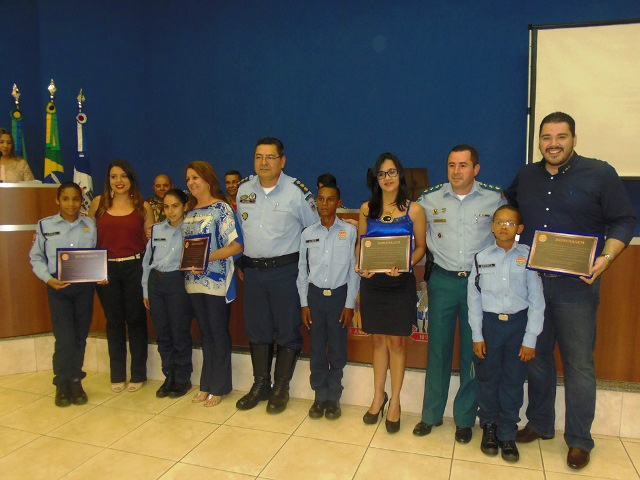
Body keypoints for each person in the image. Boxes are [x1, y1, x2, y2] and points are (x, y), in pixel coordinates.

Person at [505, 112, 636, 469]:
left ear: (574, 139)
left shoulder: (600, 174)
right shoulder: (527, 176)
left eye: (561, 137)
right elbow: (510, 213)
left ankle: (579, 440)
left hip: (577, 287)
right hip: (533, 285)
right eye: (546, 137)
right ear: (539, 142)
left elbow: (625, 220)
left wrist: (606, 259)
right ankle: (540, 423)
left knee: (579, 364)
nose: (553, 144)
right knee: (537, 356)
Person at [415, 144, 505, 442]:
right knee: (438, 350)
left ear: (476, 169)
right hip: (442, 281)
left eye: (463, 165)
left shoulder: (494, 198)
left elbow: (508, 237)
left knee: (472, 352)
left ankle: (466, 418)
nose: (456, 171)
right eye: (451, 165)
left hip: (479, 286)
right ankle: (431, 415)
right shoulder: (429, 199)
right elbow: (409, 229)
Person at [235, 137, 319, 414]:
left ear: (282, 161)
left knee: (286, 330)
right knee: (257, 330)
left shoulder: (297, 193)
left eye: (270, 157)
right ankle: (261, 385)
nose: (264, 162)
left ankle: (281, 387)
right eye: (259, 156)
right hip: (254, 273)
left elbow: (314, 233)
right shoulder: (243, 190)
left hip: (287, 272)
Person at [467, 204, 545, 463]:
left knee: (513, 380)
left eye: (510, 223)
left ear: (519, 229)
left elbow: (536, 301)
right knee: (487, 378)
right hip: (489, 326)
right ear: (491, 226)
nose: (504, 227)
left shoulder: (529, 257)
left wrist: (530, 338)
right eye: (499, 222)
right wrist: (477, 335)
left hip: (517, 327)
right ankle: (489, 427)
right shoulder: (480, 258)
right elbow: (474, 300)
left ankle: (508, 433)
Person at [357, 153, 426, 433]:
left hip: (400, 285)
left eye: (392, 172)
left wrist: (408, 262)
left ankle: (395, 401)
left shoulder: (414, 210)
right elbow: (362, 246)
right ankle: (378, 397)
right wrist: (361, 267)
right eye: (382, 174)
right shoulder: (366, 209)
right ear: (376, 178)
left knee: (397, 344)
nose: (387, 178)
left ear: (400, 175)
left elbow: (421, 247)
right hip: (373, 284)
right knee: (377, 342)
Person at [29, 182, 101, 406]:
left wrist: (100, 272)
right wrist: (47, 278)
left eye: (76, 199)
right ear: (57, 200)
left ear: (82, 201)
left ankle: (75, 380)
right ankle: (61, 383)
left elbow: (95, 256)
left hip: (84, 289)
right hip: (57, 288)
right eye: (66, 199)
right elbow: (36, 257)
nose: (71, 204)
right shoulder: (45, 225)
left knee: (80, 336)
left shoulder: (90, 225)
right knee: (64, 338)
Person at [89, 159, 154, 393]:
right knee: (114, 321)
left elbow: (152, 244)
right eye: (114, 176)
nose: (118, 181)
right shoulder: (97, 204)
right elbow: (87, 238)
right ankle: (117, 373)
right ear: (108, 180)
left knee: (136, 321)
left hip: (135, 268)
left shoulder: (143, 206)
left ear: (131, 179)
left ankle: (138, 373)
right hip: (106, 271)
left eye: (123, 176)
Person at [297, 183, 359, 420]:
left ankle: (333, 397)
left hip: (339, 298)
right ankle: (319, 397)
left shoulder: (349, 232)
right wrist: (304, 303)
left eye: (330, 199)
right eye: (320, 199)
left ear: (339, 202)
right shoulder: (308, 233)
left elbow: (354, 271)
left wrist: (350, 304)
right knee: (317, 350)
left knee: (337, 349)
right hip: (314, 298)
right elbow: (302, 272)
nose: (324, 204)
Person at [183, 161, 243, 407]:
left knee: (218, 333)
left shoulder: (222, 209)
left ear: (208, 179)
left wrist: (206, 257)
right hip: (193, 282)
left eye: (195, 177)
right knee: (205, 333)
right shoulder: (189, 212)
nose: (191, 183)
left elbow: (236, 246)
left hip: (217, 282)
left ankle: (219, 386)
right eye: (187, 179)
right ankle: (206, 383)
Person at [142, 188, 194, 399]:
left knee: (179, 332)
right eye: (166, 207)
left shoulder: (191, 229)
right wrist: (145, 289)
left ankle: (182, 378)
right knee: (162, 333)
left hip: (177, 282)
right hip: (156, 282)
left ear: (185, 207)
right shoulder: (156, 230)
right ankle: (168, 376)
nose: (170, 211)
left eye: (175, 206)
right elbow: (147, 262)